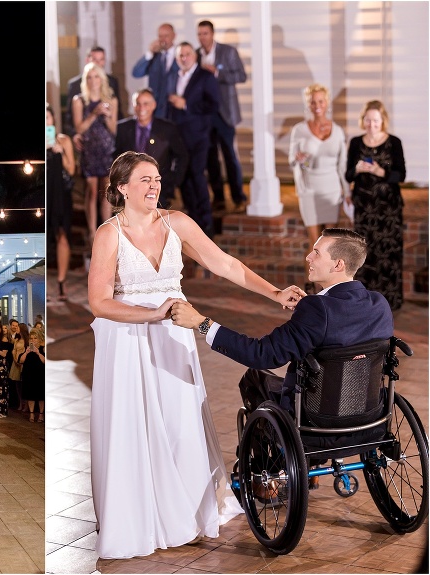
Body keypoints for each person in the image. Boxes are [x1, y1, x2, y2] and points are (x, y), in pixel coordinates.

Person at [88, 151, 305, 559]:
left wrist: (274, 293)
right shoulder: (108, 234)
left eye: (156, 179)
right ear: (122, 188)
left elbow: (225, 264)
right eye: (144, 180)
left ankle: (186, 512)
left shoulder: (177, 223)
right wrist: (151, 313)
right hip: (128, 341)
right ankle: (139, 516)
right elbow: (99, 302)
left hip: (175, 334)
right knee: (135, 424)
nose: (154, 186)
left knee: (180, 420)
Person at [171, 228, 393, 416]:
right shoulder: (379, 304)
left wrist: (202, 323)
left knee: (254, 377)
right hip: (366, 414)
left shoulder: (317, 310)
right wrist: (313, 310)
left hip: (315, 417)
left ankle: (262, 464)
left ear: (338, 265)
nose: (308, 257)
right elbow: (340, 326)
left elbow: (261, 354)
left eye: (316, 253)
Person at [345, 100, 406, 310]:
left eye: (376, 120)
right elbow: (348, 174)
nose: (372, 124)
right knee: (365, 252)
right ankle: (366, 302)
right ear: (363, 120)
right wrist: (358, 169)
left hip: (388, 208)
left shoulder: (394, 142)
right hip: (364, 208)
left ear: (383, 121)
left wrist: (382, 172)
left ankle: (391, 302)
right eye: (368, 120)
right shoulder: (355, 143)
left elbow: (402, 174)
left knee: (389, 253)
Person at [289, 83, 348, 291]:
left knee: (330, 240)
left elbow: (342, 165)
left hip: (331, 189)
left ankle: (329, 286)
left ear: (327, 102)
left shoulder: (338, 131)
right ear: (308, 104)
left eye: (321, 101)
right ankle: (314, 286)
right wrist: (301, 160)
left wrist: (347, 192)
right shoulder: (299, 130)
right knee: (315, 240)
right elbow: (295, 162)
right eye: (313, 102)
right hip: (309, 190)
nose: (317, 105)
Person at [167, 41, 221, 237]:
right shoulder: (174, 76)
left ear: (194, 56)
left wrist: (187, 104)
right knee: (184, 178)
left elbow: (213, 105)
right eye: (180, 55)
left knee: (197, 176)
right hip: (179, 137)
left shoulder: (206, 77)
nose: (184, 58)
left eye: (187, 54)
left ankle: (206, 224)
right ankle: (192, 222)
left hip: (199, 136)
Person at [196, 20, 248, 212]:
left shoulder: (228, 52)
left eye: (205, 33)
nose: (202, 37)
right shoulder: (196, 54)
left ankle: (238, 197)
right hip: (206, 114)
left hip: (225, 113)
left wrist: (217, 72)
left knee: (229, 155)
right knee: (210, 158)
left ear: (212, 34)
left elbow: (241, 76)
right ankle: (218, 197)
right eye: (199, 34)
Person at [115, 88, 188, 209]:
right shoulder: (123, 128)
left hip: (160, 191)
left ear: (153, 105)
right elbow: (116, 157)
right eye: (137, 103)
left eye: (145, 104)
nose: (141, 108)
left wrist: (174, 181)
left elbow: (182, 156)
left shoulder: (167, 128)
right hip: (131, 190)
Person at [72, 62, 118, 245]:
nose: (93, 81)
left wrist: (106, 115)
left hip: (107, 149)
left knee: (107, 190)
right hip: (89, 150)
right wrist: (93, 113)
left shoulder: (111, 100)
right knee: (91, 191)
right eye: (89, 77)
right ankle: (92, 232)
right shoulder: (79, 100)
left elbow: (115, 129)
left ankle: (106, 228)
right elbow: (79, 128)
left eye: (96, 76)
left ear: (102, 79)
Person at [47, 104, 76, 302]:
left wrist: (60, 152)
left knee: (63, 237)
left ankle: (61, 281)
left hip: (61, 194)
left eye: (47, 117)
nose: (46, 122)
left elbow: (72, 170)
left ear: (53, 119)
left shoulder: (63, 140)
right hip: (45, 193)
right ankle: (46, 287)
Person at [65, 45, 123, 136]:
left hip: (108, 138)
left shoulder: (112, 82)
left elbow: (118, 113)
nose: (98, 63)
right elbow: (69, 116)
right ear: (88, 60)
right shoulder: (75, 85)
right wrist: (75, 134)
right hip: (85, 137)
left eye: (101, 59)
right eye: (95, 59)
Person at [131, 23, 179, 118]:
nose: (163, 39)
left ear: (174, 36)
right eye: (160, 36)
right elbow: (136, 73)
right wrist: (149, 53)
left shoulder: (180, 56)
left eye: (166, 36)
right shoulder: (154, 57)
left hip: (173, 110)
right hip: (156, 110)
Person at [19, 328, 45, 423]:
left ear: (39, 339)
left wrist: (38, 353)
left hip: (40, 375)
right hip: (29, 374)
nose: (33, 340)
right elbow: (21, 360)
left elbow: (45, 361)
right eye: (31, 338)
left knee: (41, 395)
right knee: (30, 395)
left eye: (35, 338)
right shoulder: (27, 349)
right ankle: (31, 414)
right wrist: (26, 352)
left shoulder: (43, 349)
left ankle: (41, 414)